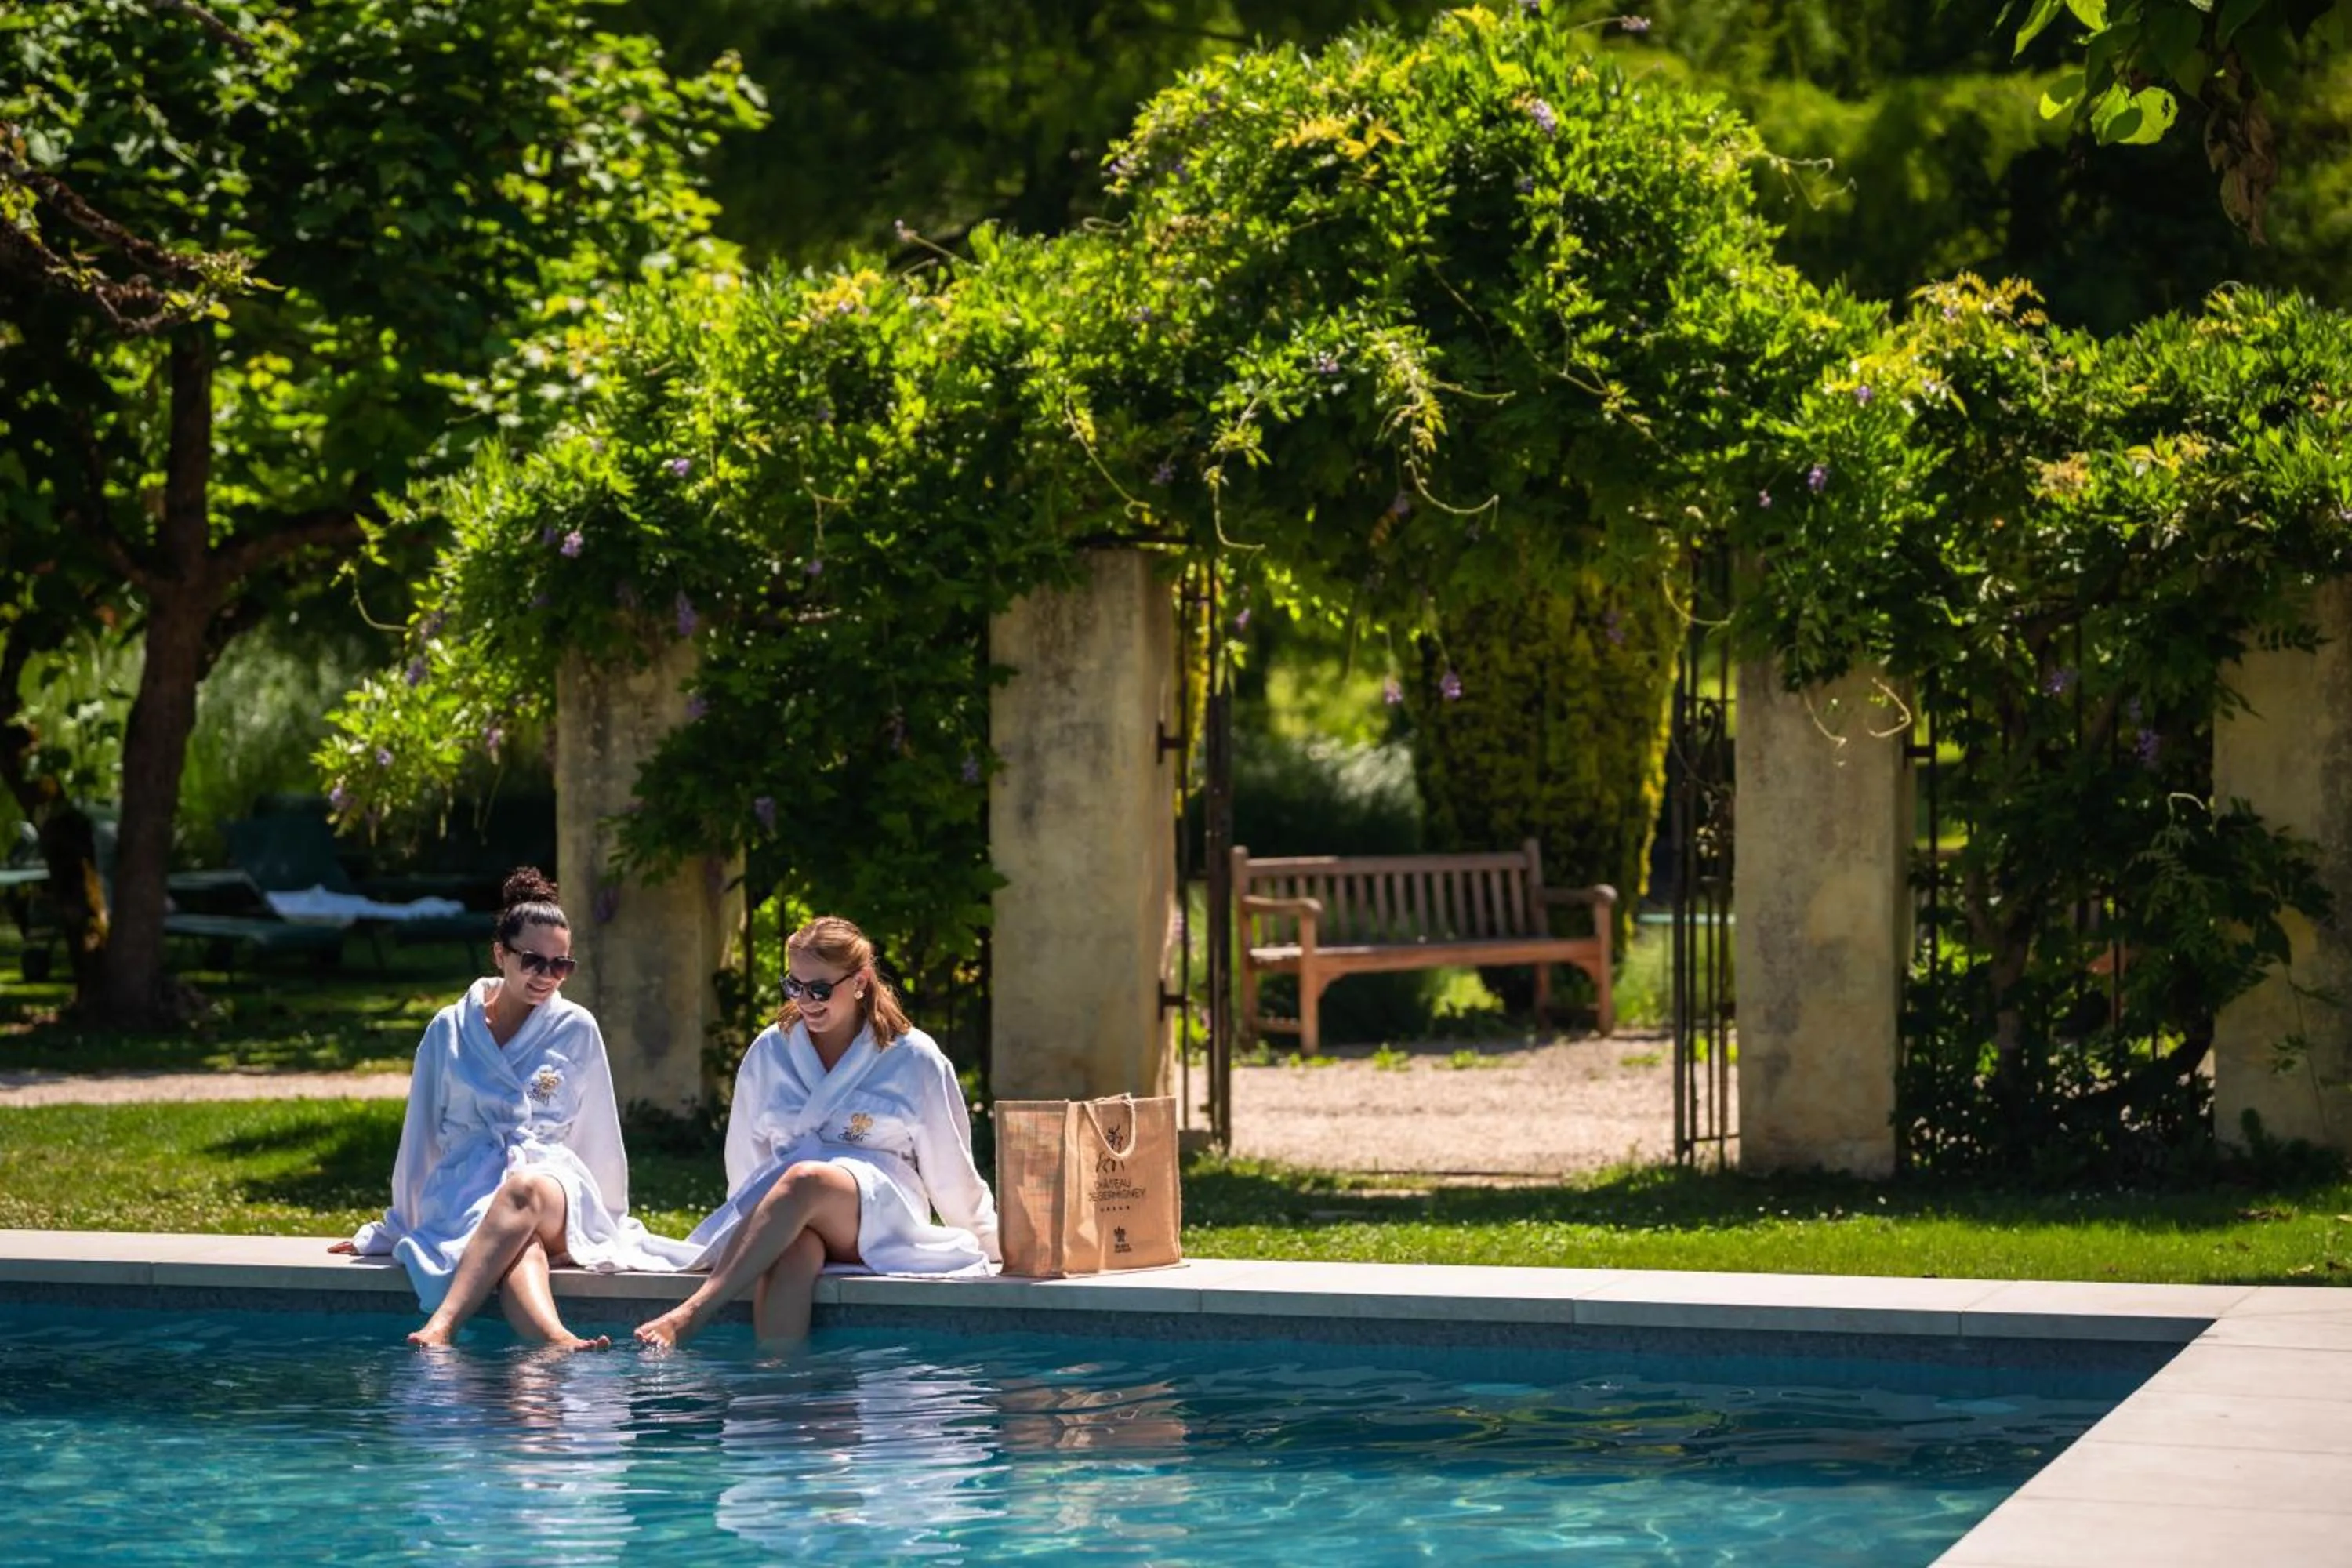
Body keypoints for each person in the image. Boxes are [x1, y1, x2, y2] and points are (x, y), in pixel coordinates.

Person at [332, 868, 696, 1348]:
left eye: (560, 965)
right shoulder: (449, 1029)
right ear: (500, 954)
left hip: (553, 1187)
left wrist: (603, 1226)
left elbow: (600, 1135)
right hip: (469, 1189)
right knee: (517, 1246)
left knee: (523, 1191)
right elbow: (419, 1135)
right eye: (532, 961)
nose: (547, 976)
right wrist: (396, 1225)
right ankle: (558, 1346)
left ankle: (442, 1325)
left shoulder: (576, 1027)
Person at [635, 915, 998, 1350]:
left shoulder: (912, 1057)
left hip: (882, 1214)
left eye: (820, 990)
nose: (806, 1001)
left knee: (806, 1178)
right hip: (794, 1207)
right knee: (789, 1253)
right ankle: (780, 1392)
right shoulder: (771, 1051)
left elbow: (949, 1165)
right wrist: (754, 1231)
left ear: (860, 980)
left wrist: (992, 1241)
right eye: (794, 986)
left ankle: (693, 1314)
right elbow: (747, 1159)